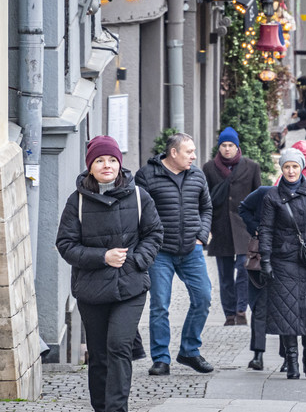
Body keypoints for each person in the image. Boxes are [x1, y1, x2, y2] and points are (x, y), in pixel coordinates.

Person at [56, 135, 164, 412]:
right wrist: (102, 257)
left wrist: (137, 260)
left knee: (118, 346)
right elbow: (66, 245)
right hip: (92, 290)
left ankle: (117, 409)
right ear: (90, 166)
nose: (107, 165)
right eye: (100, 160)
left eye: (112, 160)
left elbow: (154, 234)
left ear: (120, 164)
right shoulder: (76, 202)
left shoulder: (140, 197)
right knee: (100, 354)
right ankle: (101, 407)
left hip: (131, 287)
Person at [135, 132, 214, 376]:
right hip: (160, 252)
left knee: (203, 298)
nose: (194, 156)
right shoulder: (147, 175)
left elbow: (206, 207)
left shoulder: (197, 174)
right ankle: (161, 358)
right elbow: (138, 212)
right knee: (160, 305)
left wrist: (201, 235)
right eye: (189, 152)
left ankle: (190, 351)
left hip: (192, 249)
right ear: (173, 153)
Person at [259, 148, 306, 380]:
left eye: (295, 166)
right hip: (283, 260)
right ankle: (291, 361)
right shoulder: (272, 196)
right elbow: (266, 230)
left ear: (301, 168)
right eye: (287, 166)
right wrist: (266, 260)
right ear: (282, 169)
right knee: (287, 313)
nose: (290, 171)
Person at [202, 127, 261, 327]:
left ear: (237, 147)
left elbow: (258, 196)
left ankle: (241, 310)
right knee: (225, 273)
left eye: (231, 145)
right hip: (221, 227)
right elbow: (205, 200)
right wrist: (206, 226)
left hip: (245, 227)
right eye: (223, 146)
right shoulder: (209, 168)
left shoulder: (251, 167)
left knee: (244, 268)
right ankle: (229, 313)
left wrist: (259, 225)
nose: (227, 149)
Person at [238, 185, 275, 371]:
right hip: (260, 256)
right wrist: (256, 228)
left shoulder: (304, 192)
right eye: (286, 167)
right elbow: (243, 208)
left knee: (285, 307)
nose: (290, 171)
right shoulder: (264, 192)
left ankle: (288, 358)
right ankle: (258, 355)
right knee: (260, 305)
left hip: (287, 256)